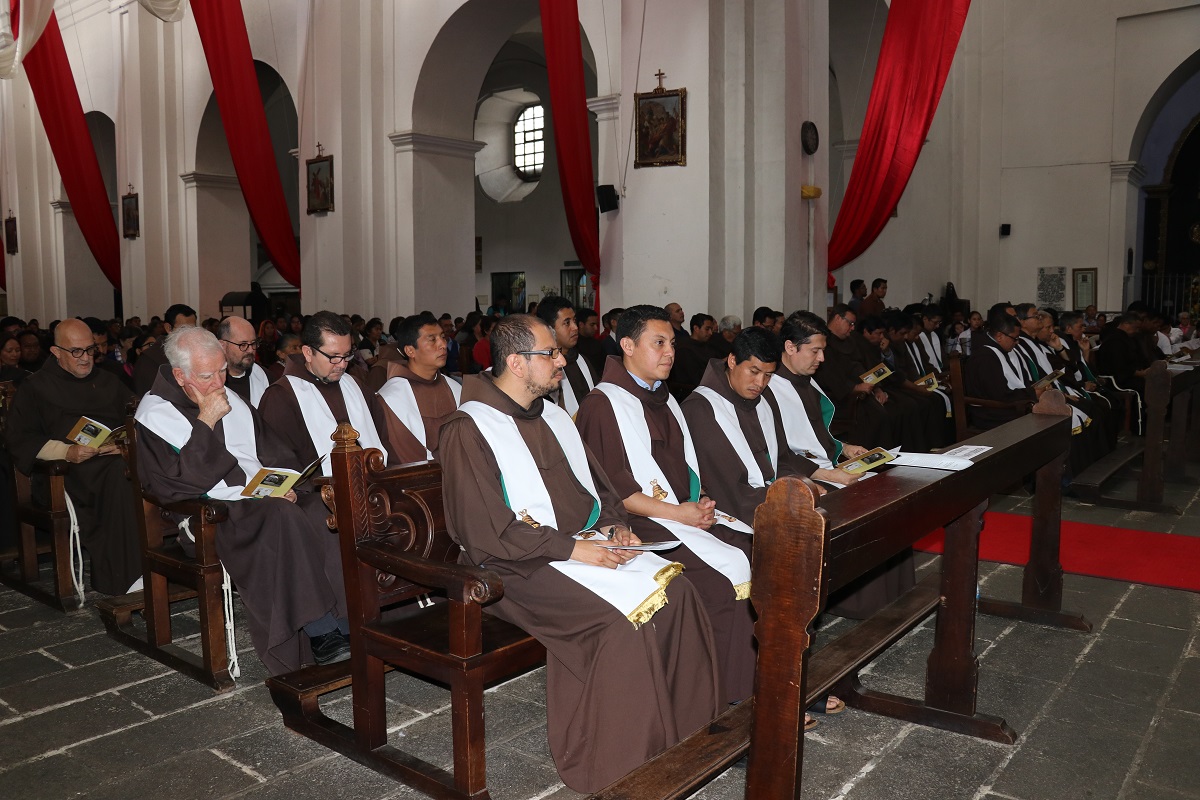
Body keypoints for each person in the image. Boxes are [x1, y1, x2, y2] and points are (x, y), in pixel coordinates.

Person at [439, 314, 721, 792]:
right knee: (619, 622)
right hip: (510, 567)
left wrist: (614, 524)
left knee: (680, 592)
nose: (562, 361)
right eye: (549, 353)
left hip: (578, 547)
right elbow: (484, 530)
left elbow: (600, 487)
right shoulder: (469, 428)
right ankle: (621, 764)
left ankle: (689, 738)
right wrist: (572, 549)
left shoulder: (552, 415)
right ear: (515, 362)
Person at [134, 327, 351, 673]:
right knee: (281, 516)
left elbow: (274, 450)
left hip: (259, 499)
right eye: (208, 376)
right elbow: (173, 489)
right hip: (209, 515)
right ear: (179, 375)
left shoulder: (230, 397)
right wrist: (205, 421)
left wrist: (288, 481)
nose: (219, 382)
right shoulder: (153, 416)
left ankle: (346, 622)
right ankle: (321, 632)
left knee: (319, 510)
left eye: (222, 371)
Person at [575, 305, 756, 706]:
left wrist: (702, 502)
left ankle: (756, 676)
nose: (669, 353)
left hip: (677, 512)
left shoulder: (665, 397)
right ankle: (727, 697)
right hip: (636, 522)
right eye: (658, 343)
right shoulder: (602, 405)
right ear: (627, 345)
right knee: (720, 581)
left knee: (754, 549)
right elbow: (613, 492)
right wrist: (679, 514)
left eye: (672, 343)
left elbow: (687, 468)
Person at [769, 311, 916, 620]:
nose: (822, 358)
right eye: (815, 351)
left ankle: (895, 594)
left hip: (823, 465)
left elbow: (816, 434)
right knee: (865, 503)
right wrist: (825, 472)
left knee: (889, 498)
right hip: (794, 475)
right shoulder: (769, 388)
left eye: (824, 350)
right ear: (790, 347)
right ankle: (856, 600)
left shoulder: (805, 382)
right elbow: (776, 450)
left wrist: (844, 447)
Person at [4, 318, 139, 595]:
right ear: (56, 352)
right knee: (120, 476)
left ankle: (165, 557)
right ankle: (126, 579)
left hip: (114, 458)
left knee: (142, 467)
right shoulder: (36, 387)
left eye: (90, 350)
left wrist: (124, 441)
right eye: (76, 351)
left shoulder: (108, 381)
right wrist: (67, 451)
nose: (86, 358)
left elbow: (139, 418)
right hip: (66, 472)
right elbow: (20, 439)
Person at [681, 327, 821, 522]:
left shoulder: (762, 403)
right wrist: (785, 499)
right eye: (753, 371)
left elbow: (780, 460)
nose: (760, 383)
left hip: (767, 496)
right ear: (732, 361)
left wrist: (798, 486)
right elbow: (726, 489)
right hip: (727, 513)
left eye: (768, 375)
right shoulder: (702, 409)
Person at [258, 311, 393, 477]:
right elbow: (279, 464)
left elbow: (382, 437)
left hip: (370, 483)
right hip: (314, 496)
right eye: (334, 356)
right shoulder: (281, 396)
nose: (342, 365)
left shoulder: (355, 385)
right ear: (308, 352)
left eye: (347, 355)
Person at [376, 312, 461, 462]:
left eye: (442, 337)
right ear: (410, 350)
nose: (443, 344)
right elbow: (406, 457)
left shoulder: (455, 388)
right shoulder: (391, 398)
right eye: (432, 339)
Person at [535, 297, 597, 417]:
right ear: (549, 328)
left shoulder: (582, 359)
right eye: (567, 322)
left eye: (574, 320)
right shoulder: (543, 368)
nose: (575, 327)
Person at [134, 304, 197, 395]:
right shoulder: (149, 359)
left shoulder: (196, 352)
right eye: (183, 329)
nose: (189, 334)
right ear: (168, 328)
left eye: (192, 329)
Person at [667, 313, 717, 401]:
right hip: (689, 395)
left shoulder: (709, 345)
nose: (710, 333)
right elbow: (695, 378)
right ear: (696, 328)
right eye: (707, 329)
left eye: (711, 329)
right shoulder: (685, 349)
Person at [575, 307, 605, 375]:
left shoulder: (597, 344)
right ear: (581, 325)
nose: (596, 328)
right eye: (592, 325)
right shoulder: (574, 344)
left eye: (596, 325)